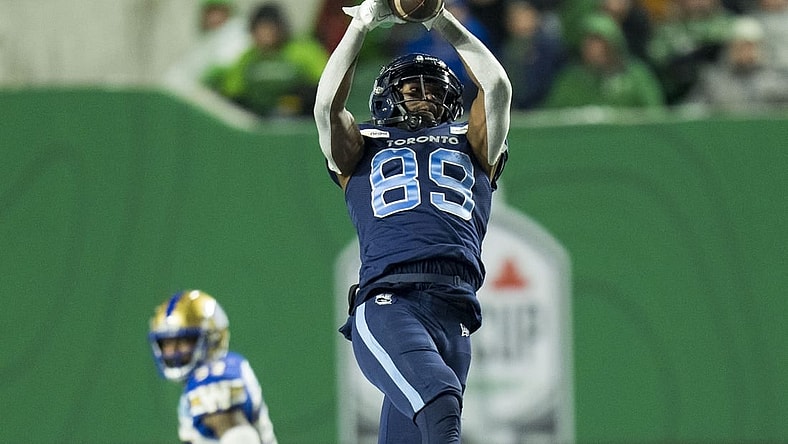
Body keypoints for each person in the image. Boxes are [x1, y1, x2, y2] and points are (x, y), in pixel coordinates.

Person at [313, 0, 512, 442]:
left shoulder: (473, 143)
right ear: (386, 97)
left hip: (455, 312)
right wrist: (360, 26)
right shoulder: (365, 143)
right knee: (440, 404)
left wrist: (441, 19)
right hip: (391, 301)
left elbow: (496, 85)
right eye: (412, 88)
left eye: (435, 88)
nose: (425, 95)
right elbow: (326, 106)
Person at [149, 290, 278, 444]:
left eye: (183, 341)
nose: (173, 351)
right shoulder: (205, 378)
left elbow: (239, 436)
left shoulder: (213, 377)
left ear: (212, 338)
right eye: (167, 343)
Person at [207, 2, 328, 117]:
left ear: (281, 28)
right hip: (259, 121)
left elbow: (326, 82)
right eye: (259, 29)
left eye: (269, 28)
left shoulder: (302, 51)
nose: (264, 34)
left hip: (299, 118)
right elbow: (232, 90)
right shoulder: (248, 58)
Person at [544, 13, 665, 109]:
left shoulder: (636, 76)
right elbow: (551, 118)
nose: (593, 49)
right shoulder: (570, 79)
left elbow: (654, 115)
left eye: (599, 42)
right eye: (588, 43)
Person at [683, 16, 788, 112]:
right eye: (741, 46)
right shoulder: (713, 80)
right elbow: (690, 112)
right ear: (730, 48)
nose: (746, 52)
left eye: (750, 46)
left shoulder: (775, 80)